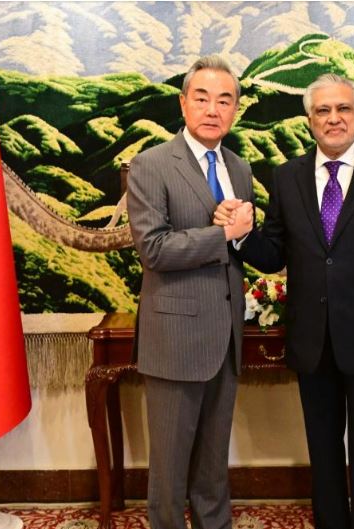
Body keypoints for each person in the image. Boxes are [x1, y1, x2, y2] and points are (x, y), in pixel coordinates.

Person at [216, 73, 354, 529]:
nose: (334, 118)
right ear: (310, 120)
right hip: (312, 341)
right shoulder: (287, 176)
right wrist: (240, 235)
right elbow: (274, 255)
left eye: (343, 109)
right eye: (323, 111)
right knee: (324, 450)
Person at [126, 55, 254, 529]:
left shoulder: (239, 168)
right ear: (183, 104)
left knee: (213, 467)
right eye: (201, 98)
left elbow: (240, 244)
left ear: (235, 110)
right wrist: (221, 235)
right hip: (175, 342)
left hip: (226, 340)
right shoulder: (152, 164)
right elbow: (154, 249)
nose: (212, 109)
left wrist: (241, 233)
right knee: (169, 471)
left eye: (224, 100)